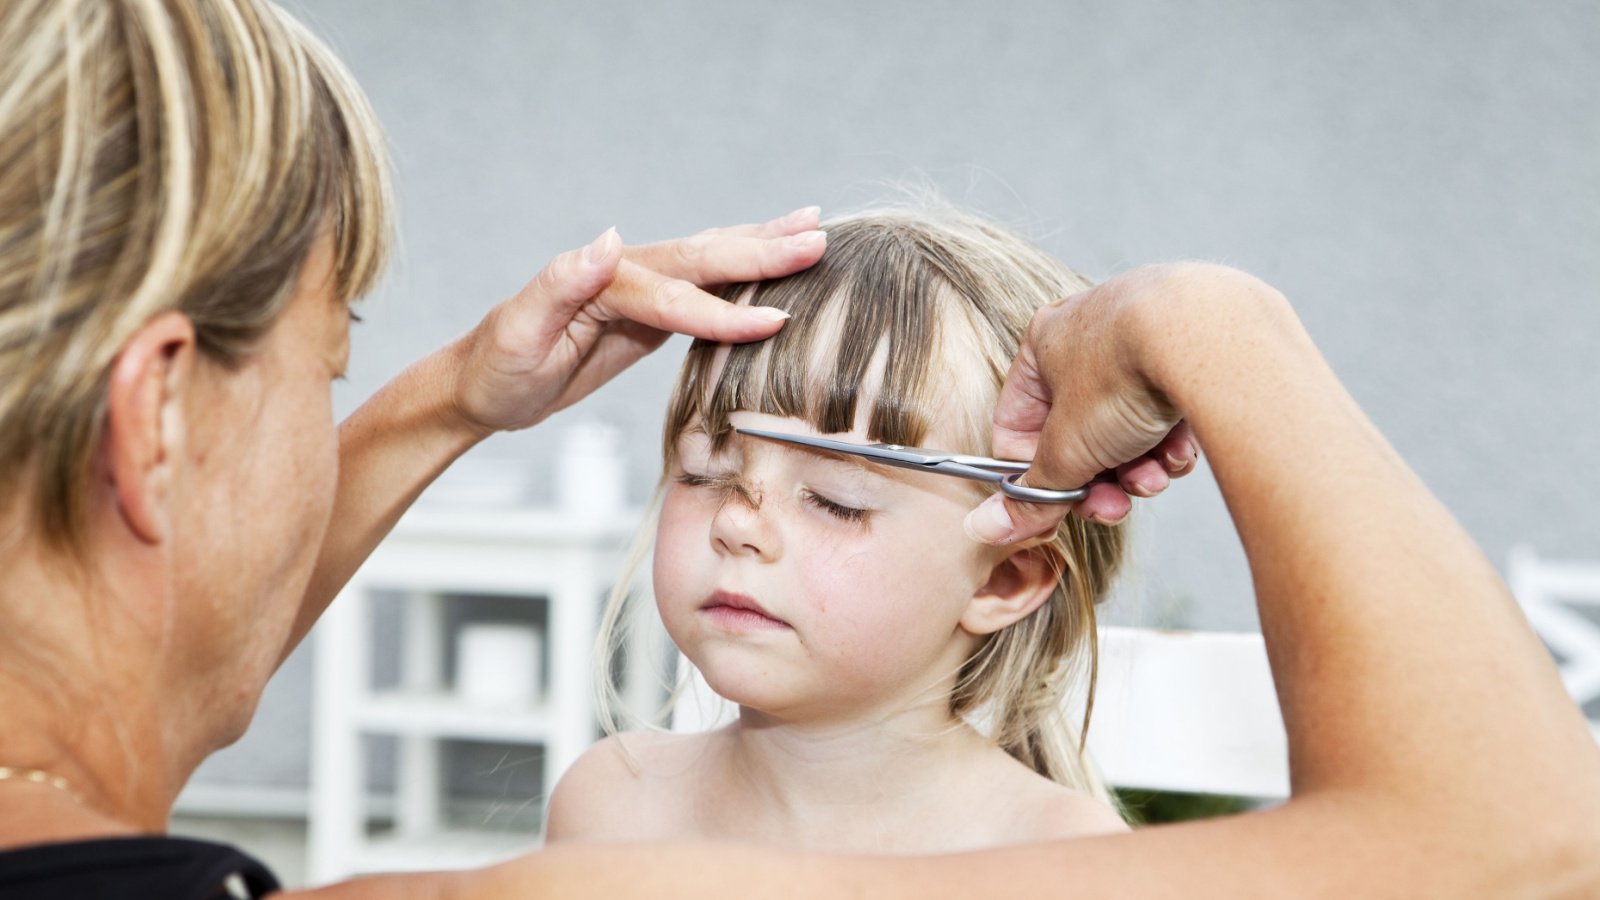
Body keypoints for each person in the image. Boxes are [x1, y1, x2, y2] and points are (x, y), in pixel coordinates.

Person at [2, 0, 1596, 897]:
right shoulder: (622, 826)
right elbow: (1522, 852)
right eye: (704, 473)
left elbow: (148, 685)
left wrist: (442, 399)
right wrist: (1216, 324)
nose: (747, 526)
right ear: (151, 418)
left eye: (837, 496)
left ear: (1017, 564)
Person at [545, 206, 1157, 850]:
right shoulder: (612, 805)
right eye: (704, 472)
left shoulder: (1061, 862)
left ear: (1003, 578)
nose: (734, 522)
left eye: (837, 500)